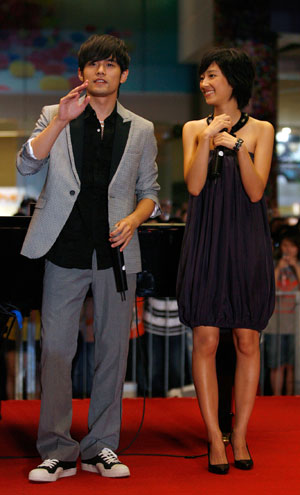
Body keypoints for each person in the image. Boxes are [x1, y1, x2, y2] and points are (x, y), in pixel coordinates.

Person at [16, 34, 160, 483]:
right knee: (57, 351)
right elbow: (25, 165)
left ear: (123, 74)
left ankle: (101, 447)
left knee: (113, 354)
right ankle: (57, 449)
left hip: (116, 254)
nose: (102, 70)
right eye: (93, 64)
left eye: (111, 64)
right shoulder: (53, 115)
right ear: (81, 74)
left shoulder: (141, 128)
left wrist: (135, 219)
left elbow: (150, 194)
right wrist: (59, 121)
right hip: (63, 248)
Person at [176, 47, 275, 474]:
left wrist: (237, 146)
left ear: (233, 80)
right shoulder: (192, 128)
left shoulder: (262, 130)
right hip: (205, 241)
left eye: (212, 75)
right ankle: (215, 436)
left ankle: (242, 435)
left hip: (247, 242)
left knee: (247, 340)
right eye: (202, 76)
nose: (204, 83)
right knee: (207, 339)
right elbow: (195, 186)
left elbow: (256, 192)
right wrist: (207, 138)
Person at [264, 231, 300, 395]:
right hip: (275, 324)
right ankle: (276, 398)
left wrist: (296, 267)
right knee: (275, 365)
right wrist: (279, 268)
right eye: (285, 245)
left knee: (291, 366)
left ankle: (290, 398)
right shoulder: (272, 264)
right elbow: (268, 288)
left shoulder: (297, 266)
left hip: (294, 325)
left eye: (292, 246)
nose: (288, 249)